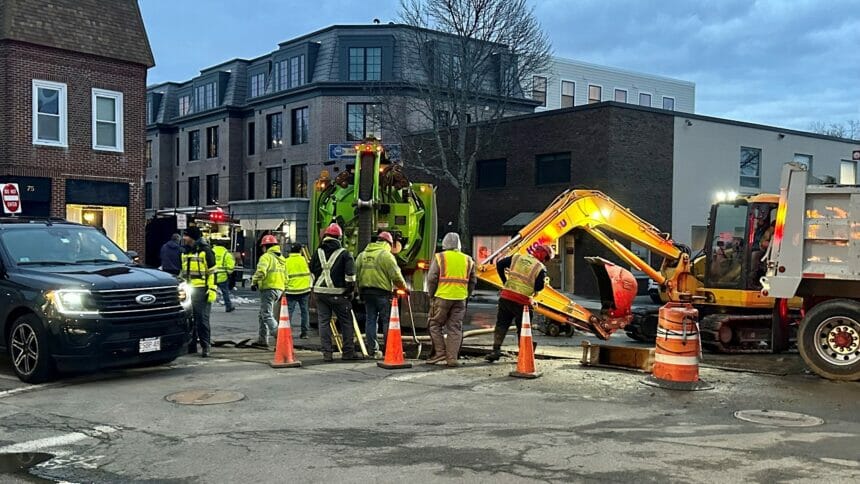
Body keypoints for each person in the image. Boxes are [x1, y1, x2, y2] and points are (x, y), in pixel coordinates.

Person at [485, 244, 554, 362]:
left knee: (501, 324)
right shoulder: (540, 268)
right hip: (523, 302)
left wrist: (505, 282)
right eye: (547, 258)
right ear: (544, 256)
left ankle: (495, 350)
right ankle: (523, 353)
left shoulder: (517, 257)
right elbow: (539, 286)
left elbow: (500, 264)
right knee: (523, 328)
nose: (546, 261)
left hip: (506, 297)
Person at [311, 223, 361, 362]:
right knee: (346, 322)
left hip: (320, 293)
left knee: (323, 323)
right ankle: (348, 353)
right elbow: (350, 277)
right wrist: (350, 292)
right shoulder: (345, 254)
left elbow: (312, 271)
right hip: (339, 294)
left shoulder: (317, 252)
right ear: (339, 237)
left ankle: (327, 354)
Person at [426, 232, 477, 367]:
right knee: (455, 328)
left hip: (442, 296)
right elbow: (473, 281)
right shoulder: (468, 260)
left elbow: (432, 278)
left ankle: (440, 352)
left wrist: (431, 294)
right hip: (460, 298)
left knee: (434, 324)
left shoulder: (440, 257)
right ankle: (452, 358)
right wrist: (467, 294)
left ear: (444, 244)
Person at [356, 231, 408, 358]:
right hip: (382, 293)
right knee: (386, 321)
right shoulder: (386, 256)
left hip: (366, 292)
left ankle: (372, 350)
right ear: (388, 243)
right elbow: (395, 275)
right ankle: (389, 349)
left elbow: (356, 275)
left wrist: (358, 291)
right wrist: (404, 288)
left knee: (370, 319)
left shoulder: (362, 255)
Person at [181, 226, 216, 357]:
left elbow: (212, 273)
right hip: (188, 290)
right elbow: (183, 272)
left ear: (192, 238)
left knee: (202, 319)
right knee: (189, 319)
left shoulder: (206, 251)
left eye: (186, 236)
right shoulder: (185, 252)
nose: (184, 238)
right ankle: (191, 345)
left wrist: (211, 289)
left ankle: (205, 346)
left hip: (202, 290)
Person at [251, 235, 286, 348]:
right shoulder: (282, 259)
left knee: (266, 314)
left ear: (265, 246)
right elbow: (286, 276)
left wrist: (254, 282)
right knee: (262, 314)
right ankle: (262, 339)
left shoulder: (266, 257)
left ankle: (280, 336)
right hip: (279, 289)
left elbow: (261, 271)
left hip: (268, 288)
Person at [284, 243, 313, 339]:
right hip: (304, 290)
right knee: (305, 311)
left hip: (291, 290)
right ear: (300, 250)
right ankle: (304, 333)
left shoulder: (286, 261)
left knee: (289, 312)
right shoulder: (305, 260)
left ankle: (287, 332)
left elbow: (284, 276)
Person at [212, 241, 236, 313]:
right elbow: (230, 267)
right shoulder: (226, 254)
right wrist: (229, 272)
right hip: (222, 276)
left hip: (212, 276)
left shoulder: (211, 251)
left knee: (209, 291)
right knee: (225, 292)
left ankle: (206, 307)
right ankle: (228, 306)